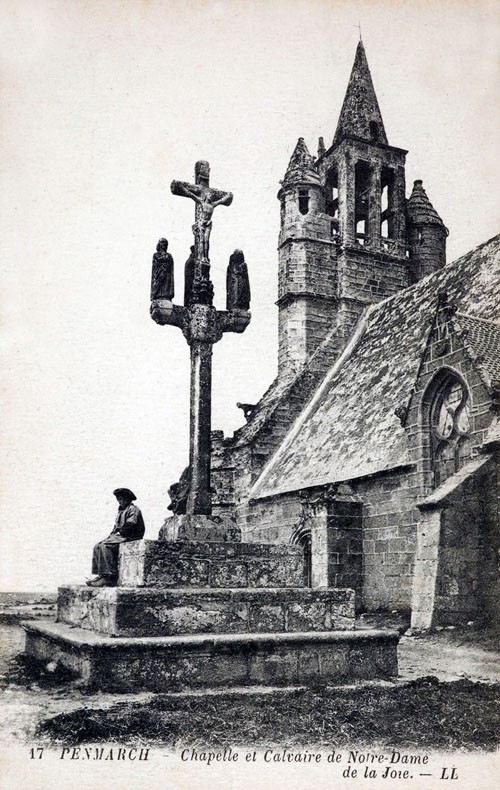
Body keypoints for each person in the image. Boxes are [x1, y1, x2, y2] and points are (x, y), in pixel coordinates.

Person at [87, 488, 145, 587]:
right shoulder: (121, 511)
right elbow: (116, 527)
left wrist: (119, 533)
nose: (120, 501)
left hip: (131, 536)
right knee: (97, 546)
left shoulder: (133, 509)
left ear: (128, 499)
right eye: (118, 499)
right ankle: (101, 574)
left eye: (122, 499)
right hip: (122, 535)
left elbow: (130, 525)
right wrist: (112, 535)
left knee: (105, 546)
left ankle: (109, 577)